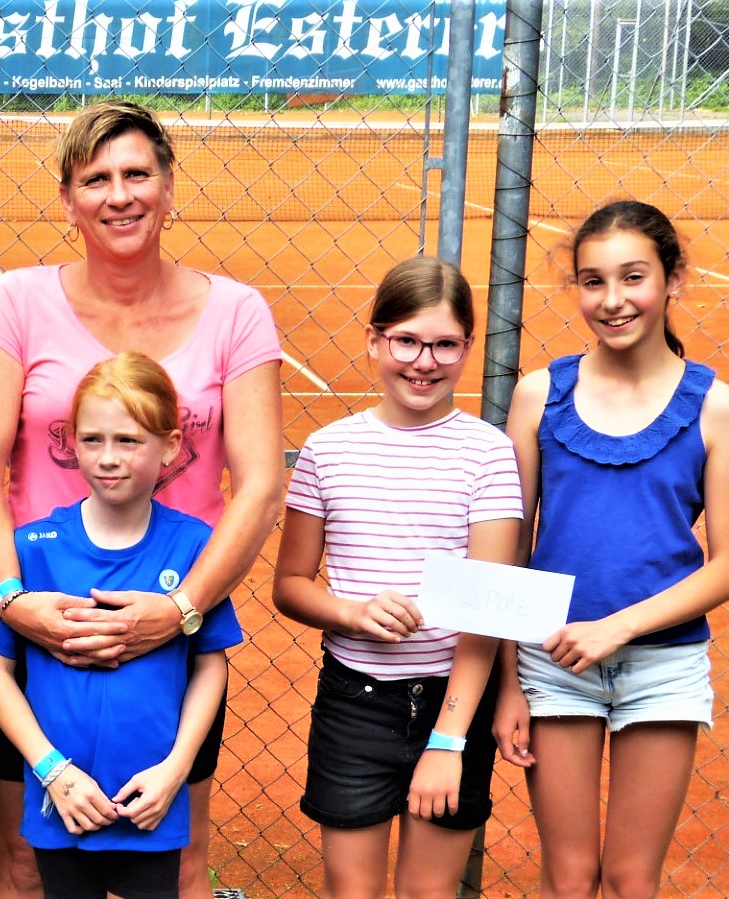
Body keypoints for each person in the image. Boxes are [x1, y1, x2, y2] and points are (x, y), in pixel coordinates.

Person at [0, 99, 283, 899]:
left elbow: (261, 484)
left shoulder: (237, 312)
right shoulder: (15, 302)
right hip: (39, 623)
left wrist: (181, 610)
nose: (119, 194)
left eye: (137, 174)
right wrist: (15, 602)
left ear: (169, 188)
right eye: (95, 179)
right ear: (68, 200)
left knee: (178, 862)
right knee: (27, 862)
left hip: (173, 625)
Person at [502, 200, 729, 899]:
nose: (612, 300)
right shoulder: (539, 395)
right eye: (593, 281)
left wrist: (618, 626)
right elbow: (508, 551)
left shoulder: (717, 407)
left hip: (664, 667)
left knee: (632, 879)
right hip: (555, 664)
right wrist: (509, 684)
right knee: (568, 877)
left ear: (673, 280)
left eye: (633, 277)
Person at [271, 257, 522, 899]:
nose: (424, 362)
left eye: (445, 345)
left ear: (468, 346)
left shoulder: (488, 453)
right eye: (406, 341)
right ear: (374, 340)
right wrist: (351, 613)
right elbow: (291, 584)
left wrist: (448, 740)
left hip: (454, 701)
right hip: (354, 702)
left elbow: (486, 612)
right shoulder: (327, 450)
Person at [0, 353, 241, 899]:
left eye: (129, 440)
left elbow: (211, 666)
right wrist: (52, 771)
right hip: (63, 797)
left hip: (152, 799)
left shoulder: (194, 547)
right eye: (92, 440)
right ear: (71, 442)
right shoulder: (33, 546)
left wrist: (175, 771)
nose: (108, 458)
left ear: (170, 446)